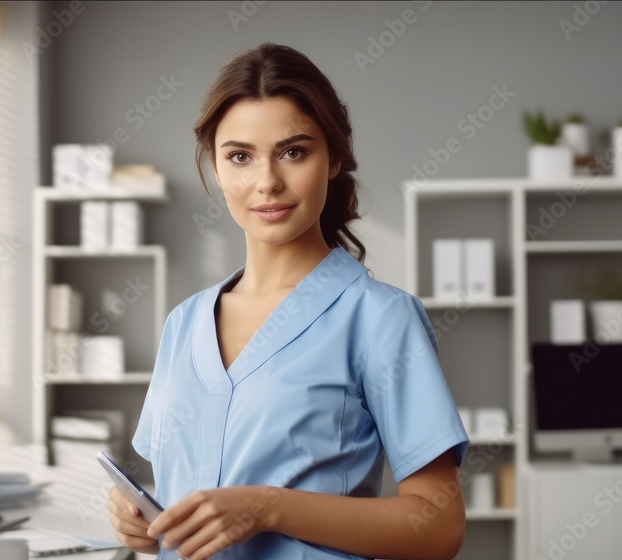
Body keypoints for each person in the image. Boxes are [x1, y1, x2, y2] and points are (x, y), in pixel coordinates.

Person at [105, 43, 469, 560]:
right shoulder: (184, 323)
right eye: (239, 157)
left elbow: (438, 528)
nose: (267, 182)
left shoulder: (380, 319)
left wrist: (270, 507)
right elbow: (192, 489)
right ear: (215, 166)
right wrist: (142, 519)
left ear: (335, 157)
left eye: (294, 151)